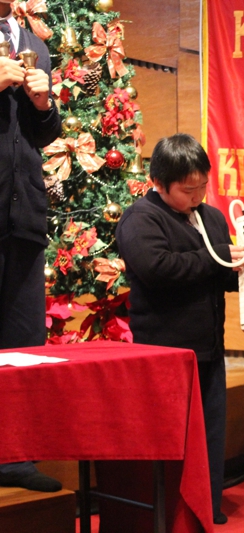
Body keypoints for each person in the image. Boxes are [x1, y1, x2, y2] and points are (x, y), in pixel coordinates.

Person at [115, 133, 244, 525]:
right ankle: (172, 515)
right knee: (172, 439)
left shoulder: (211, 217)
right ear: (159, 183)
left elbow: (217, 275)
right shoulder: (140, 218)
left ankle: (206, 509)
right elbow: (157, 269)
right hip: (165, 351)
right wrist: (218, 259)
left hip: (209, 348)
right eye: (187, 190)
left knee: (210, 435)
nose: (196, 196)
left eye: (203, 187)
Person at [0, 1, 64, 493]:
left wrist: (45, 106)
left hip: (23, 213)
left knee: (23, 342)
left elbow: (43, 135)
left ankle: (17, 458)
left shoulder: (34, 43)